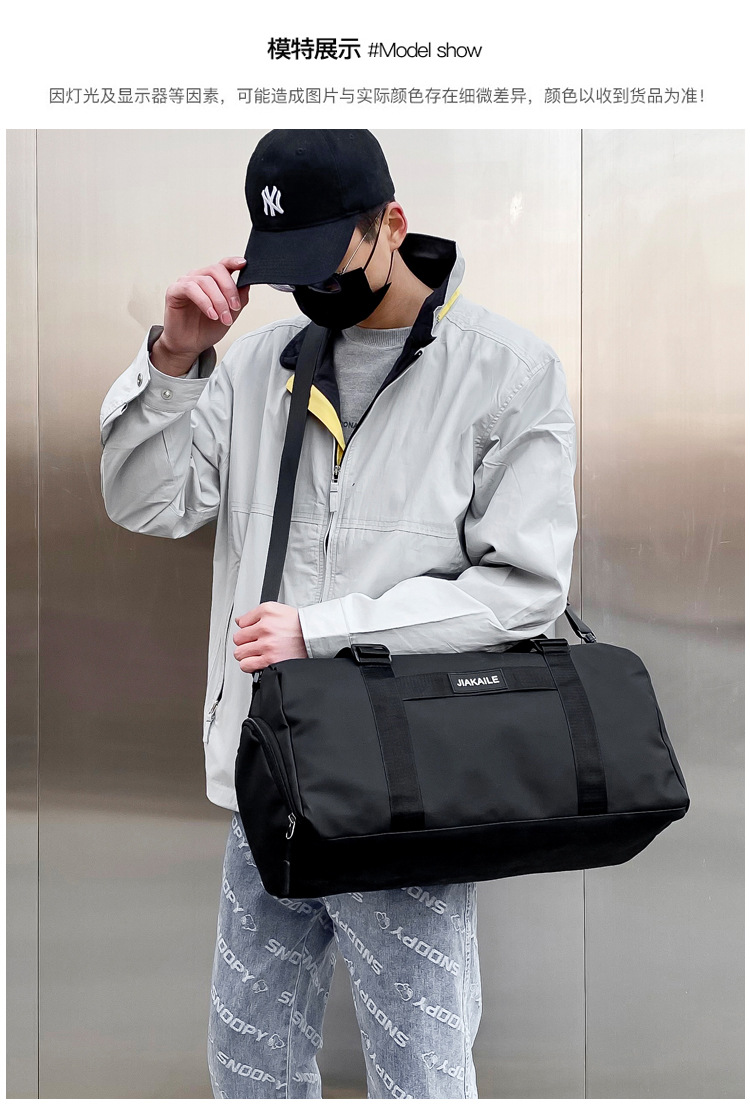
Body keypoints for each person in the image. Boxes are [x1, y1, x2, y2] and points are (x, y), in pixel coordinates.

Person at [99, 129, 579, 1100]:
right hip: (270, 780)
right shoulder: (251, 366)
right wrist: (174, 359)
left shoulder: (507, 372)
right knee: (248, 1066)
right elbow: (146, 501)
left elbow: (524, 590)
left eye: (328, 258)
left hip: (409, 791)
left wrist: (326, 631)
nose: (312, 286)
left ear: (390, 225)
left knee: (420, 1077)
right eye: (291, 269)